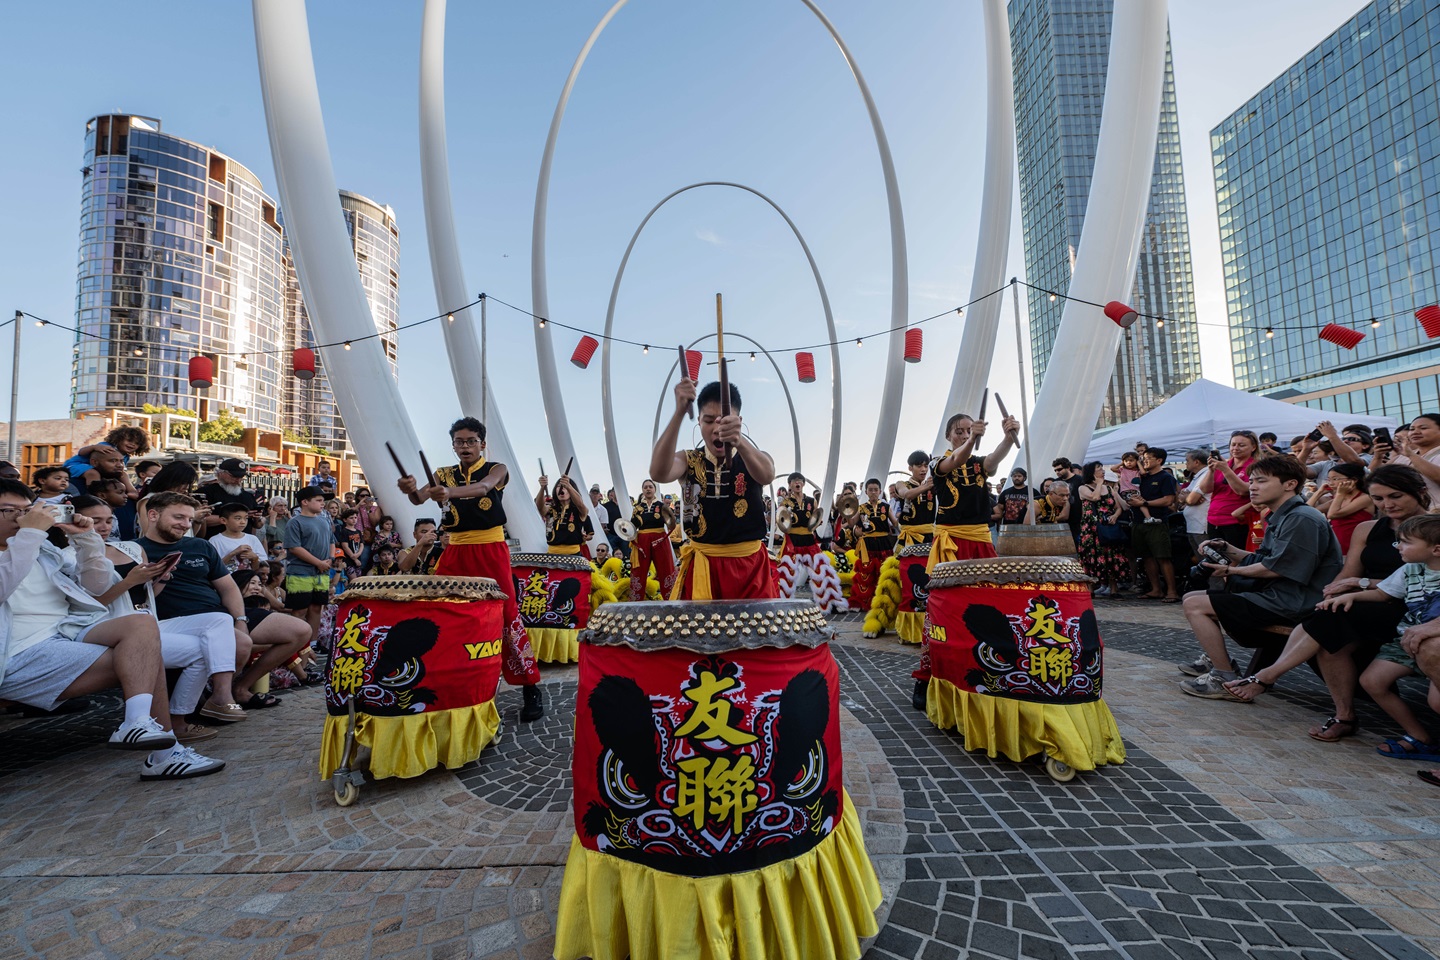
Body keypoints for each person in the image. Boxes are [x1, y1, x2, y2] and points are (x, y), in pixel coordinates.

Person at [0, 482, 224, 779]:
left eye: (26, 511)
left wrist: (87, 540)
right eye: (10, 511)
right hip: (20, 651)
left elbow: (97, 587)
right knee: (145, 656)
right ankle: (164, 754)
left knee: (141, 626)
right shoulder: (30, 541)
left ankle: (137, 723)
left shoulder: (42, 547)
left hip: (67, 631)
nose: (20, 518)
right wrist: (30, 532)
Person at [1221, 465, 1427, 738]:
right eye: (1378, 498)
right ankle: (1343, 715)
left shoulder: (1433, 530)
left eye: (1395, 496)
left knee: (1328, 625)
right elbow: (1348, 573)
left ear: (1419, 493)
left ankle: (1267, 677)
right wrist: (1331, 593)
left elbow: (1422, 581)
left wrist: (1360, 584)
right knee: (1327, 623)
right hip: (1366, 601)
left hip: (1414, 606)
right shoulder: (1367, 529)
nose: (1387, 505)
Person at [398, 417, 544, 721]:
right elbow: (418, 498)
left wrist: (449, 494)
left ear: (482, 444)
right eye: (459, 442)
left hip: (491, 550)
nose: (464, 446)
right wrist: (409, 489)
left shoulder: (497, 469)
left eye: (471, 441)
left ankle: (530, 686)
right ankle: (445, 683)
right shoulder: (442, 474)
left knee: (507, 614)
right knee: (441, 610)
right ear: (453, 445)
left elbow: (483, 488)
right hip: (455, 552)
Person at [1178, 455, 1343, 698]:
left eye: (1261, 481)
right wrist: (1228, 549)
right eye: (1252, 481)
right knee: (1193, 597)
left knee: (1195, 604)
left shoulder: (1301, 518)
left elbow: (1276, 568)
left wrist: (1230, 570)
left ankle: (1223, 676)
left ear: (1289, 484)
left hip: (1296, 601)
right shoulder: (1284, 515)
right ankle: (1220, 664)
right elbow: (1265, 558)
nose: (1252, 486)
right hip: (1279, 593)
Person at [70, 495, 228, 744]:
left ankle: (179, 719)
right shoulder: (68, 555)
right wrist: (129, 582)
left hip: (144, 620)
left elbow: (146, 597)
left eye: (109, 520)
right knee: (176, 645)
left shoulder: (130, 548)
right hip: (105, 629)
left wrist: (160, 578)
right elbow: (87, 608)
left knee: (208, 642)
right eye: (95, 520)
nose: (104, 527)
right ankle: (156, 726)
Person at [138, 492, 311, 715]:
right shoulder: (135, 550)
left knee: (300, 630)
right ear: (152, 515)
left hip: (220, 613)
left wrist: (240, 619)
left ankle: (239, 688)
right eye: (178, 518)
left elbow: (228, 587)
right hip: (175, 620)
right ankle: (212, 700)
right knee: (239, 642)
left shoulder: (200, 545)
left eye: (190, 520)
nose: (185, 525)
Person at [1318, 515, 1440, 761]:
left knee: (1436, 702)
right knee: (1373, 681)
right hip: (1406, 641)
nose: (1398, 547)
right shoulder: (1410, 569)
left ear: (1436, 549)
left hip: (1433, 645)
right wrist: (1350, 597)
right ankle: (1418, 737)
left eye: (1405, 542)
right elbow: (1384, 593)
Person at [649, 377, 777, 600]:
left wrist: (740, 441)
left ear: (739, 420)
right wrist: (679, 412)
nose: (717, 429)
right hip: (703, 565)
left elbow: (767, 474)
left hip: (750, 568)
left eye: (725, 421)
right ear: (698, 421)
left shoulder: (754, 457)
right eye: (709, 421)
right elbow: (658, 472)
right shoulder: (689, 460)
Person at [1122, 447, 1180, 602]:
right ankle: (1156, 589)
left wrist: (1146, 503)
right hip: (1138, 521)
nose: (1144, 461)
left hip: (1157, 522)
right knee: (1146, 557)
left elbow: (1168, 500)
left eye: (1147, 458)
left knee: (1163, 557)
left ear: (1159, 460)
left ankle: (1172, 591)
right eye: (1143, 458)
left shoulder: (1165, 478)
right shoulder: (1142, 477)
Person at [282, 487, 337, 640]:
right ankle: (293, 643)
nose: (322, 504)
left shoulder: (324, 520)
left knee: (316, 607)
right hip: (300, 572)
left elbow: (331, 542)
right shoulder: (295, 522)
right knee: (299, 609)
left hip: (322, 572)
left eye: (323, 501)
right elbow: (294, 548)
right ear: (305, 502)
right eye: (318, 500)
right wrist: (319, 562)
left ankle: (311, 643)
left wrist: (330, 559)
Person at [1200, 430, 1259, 549]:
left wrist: (1226, 470)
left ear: (1253, 447)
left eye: (1241, 445)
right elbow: (1205, 489)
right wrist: (1211, 470)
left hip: (1237, 521)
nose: (1236, 448)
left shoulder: (1256, 466)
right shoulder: (1224, 464)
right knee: (1218, 558)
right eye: (1233, 444)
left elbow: (1243, 491)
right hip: (1214, 520)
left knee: (1237, 559)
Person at [1077, 462, 1126, 597]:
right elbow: (1095, 497)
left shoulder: (1109, 489)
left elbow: (1118, 507)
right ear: (1091, 473)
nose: (1102, 471)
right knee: (1092, 556)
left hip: (1107, 525)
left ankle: (1114, 588)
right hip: (1091, 528)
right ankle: (1091, 588)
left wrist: (1115, 516)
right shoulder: (1082, 488)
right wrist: (1099, 484)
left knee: (1111, 555)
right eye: (1099, 469)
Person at [847, 479, 896, 609]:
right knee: (866, 573)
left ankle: (885, 600)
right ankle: (866, 601)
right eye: (870, 490)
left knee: (885, 571)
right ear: (866, 491)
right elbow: (852, 523)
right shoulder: (861, 508)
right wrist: (845, 512)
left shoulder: (886, 507)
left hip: (884, 542)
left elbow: (895, 523)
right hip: (867, 543)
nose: (873, 492)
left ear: (880, 491)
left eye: (876, 490)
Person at [1307, 462, 1373, 556]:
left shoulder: (1365, 498)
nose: (1331, 483)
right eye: (1328, 479)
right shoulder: (1338, 499)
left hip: (1353, 547)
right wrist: (1319, 492)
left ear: (1353, 480)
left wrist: (1340, 494)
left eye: (1335, 479)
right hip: (1336, 546)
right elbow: (1307, 512)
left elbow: (1332, 514)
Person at [626, 479, 677, 600]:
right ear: (642, 490)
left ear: (655, 490)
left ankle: (671, 600)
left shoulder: (662, 506)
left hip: (660, 539)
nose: (648, 489)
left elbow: (671, 524)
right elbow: (632, 527)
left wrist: (670, 516)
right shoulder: (637, 508)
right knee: (639, 571)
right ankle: (635, 602)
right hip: (642, 539)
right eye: (645, 487)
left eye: (650, 487)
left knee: (666, 569)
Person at [196, 459, 262, 532]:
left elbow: (256, 525)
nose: (238, 480)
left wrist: (257, 518)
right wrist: (237, 517)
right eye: (234, 476)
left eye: (241, 476)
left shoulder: (248, 496)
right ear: (220, 473)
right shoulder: (205, 493)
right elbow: (197, 518)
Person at [536, 472, 589, 556]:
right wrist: (542, 488)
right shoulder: (550, 509)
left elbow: (580, 504)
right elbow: (539, 507)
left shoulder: (578, 510)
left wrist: (568, 485)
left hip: (573, 554)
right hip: (552, 554)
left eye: (564, 487)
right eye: (559, 486)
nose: (562, 489)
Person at [209, 502, 269, 573]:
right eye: (238, 518)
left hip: (247, 581)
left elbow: (258, 569)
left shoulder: (252, 539)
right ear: (223, 520)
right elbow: (213, 568)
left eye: (246, 518)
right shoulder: (215, 541)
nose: (243, 522)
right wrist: (233, 553)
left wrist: (255, 558)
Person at [893, 451, 936, 547]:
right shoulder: (901, 484)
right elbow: (907, 495)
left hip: (930, 536)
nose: (923, 469)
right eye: (919, 466)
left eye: (926, 466)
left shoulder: (932, 485)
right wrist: (926, 486)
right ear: (910, 468)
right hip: (910, 538)